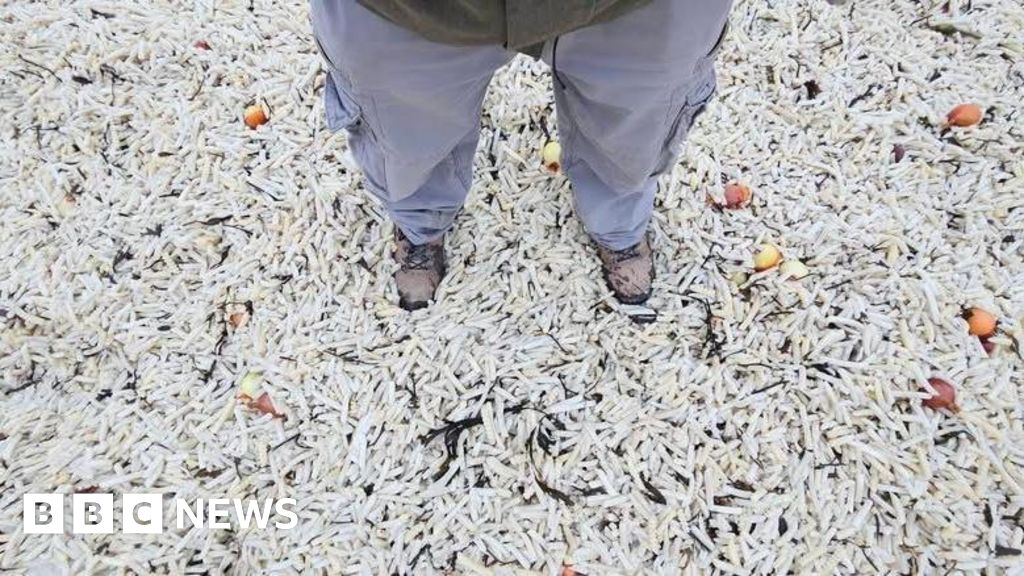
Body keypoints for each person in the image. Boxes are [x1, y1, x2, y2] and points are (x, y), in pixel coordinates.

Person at [310, 0, 732, 310]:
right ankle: (420, 220)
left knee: (636, 124)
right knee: (404, 127)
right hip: (410, 9)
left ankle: (619, 222)